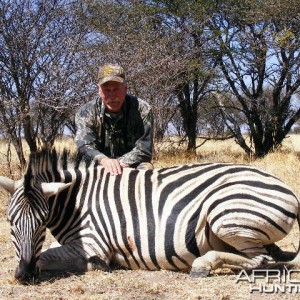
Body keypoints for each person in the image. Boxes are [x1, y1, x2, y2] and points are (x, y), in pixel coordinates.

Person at [75, 63, 153, 175]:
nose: (112, 96)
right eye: (106, 90)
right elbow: (83, 146)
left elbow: (144, 150)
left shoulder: (142, 109)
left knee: (147, 168)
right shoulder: (86, 112)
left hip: (130, 165)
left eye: (116, 89)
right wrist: (103, 160)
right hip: (99, 164)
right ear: (99, 90)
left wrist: (118, 163)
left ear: (125, 89)